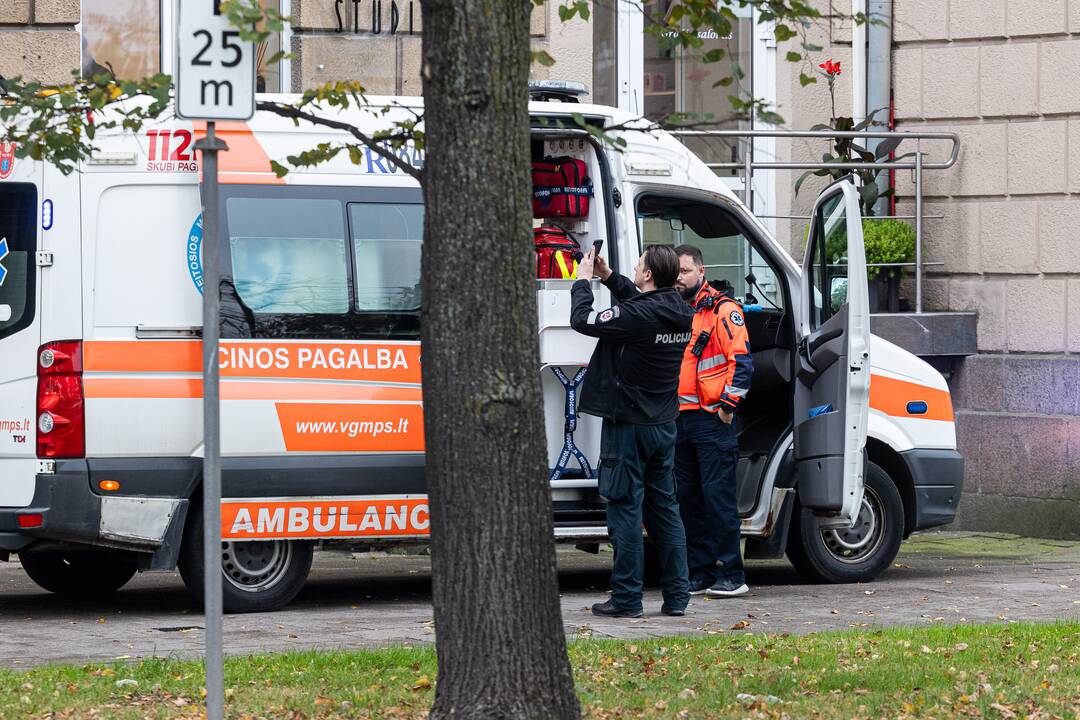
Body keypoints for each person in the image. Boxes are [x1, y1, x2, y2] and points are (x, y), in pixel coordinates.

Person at [570, 244, 694, 618]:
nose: (635, 269)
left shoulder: (639, 316)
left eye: (638, 265)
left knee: (624, 509)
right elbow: (638, 307)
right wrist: (608, 276)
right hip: (663, 425)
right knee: (665, 511)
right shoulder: (680, 311)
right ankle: (677, 597)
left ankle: (626, 599)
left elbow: (583, 320)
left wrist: (582, 282)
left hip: (629, 428)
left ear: (649, 275)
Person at [672, 244, 754, 598]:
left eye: (685, 271)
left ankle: (731, 574)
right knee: (688, 500)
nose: (679, 278)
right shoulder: (677, 307)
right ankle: (701, 572)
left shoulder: (723, 310)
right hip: (681, 419)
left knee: (717, 499)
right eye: (675, 272)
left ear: (701, 272)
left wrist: (727, 406)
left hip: (712, 419)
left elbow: (743, 362)